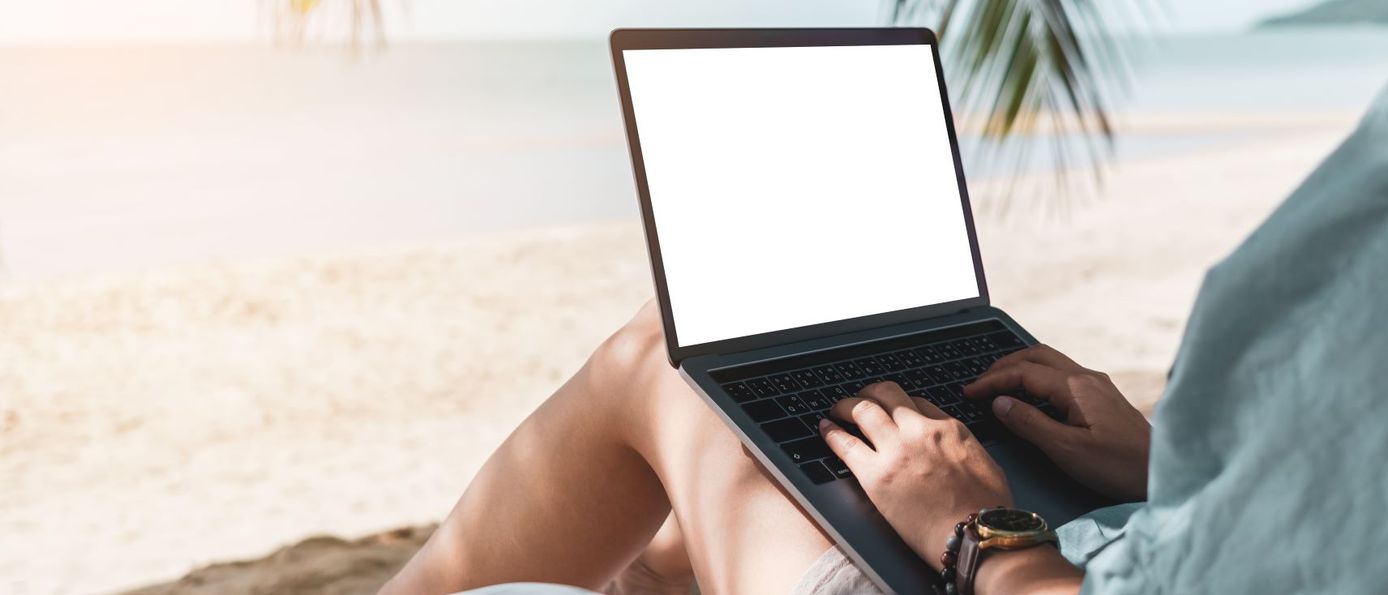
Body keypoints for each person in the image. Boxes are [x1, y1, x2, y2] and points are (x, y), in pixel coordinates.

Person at [383, 86, 1388, 595]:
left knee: (662, 361)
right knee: (691, 529)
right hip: (1139, 529)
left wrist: (984, 537)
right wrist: (1163, 467)